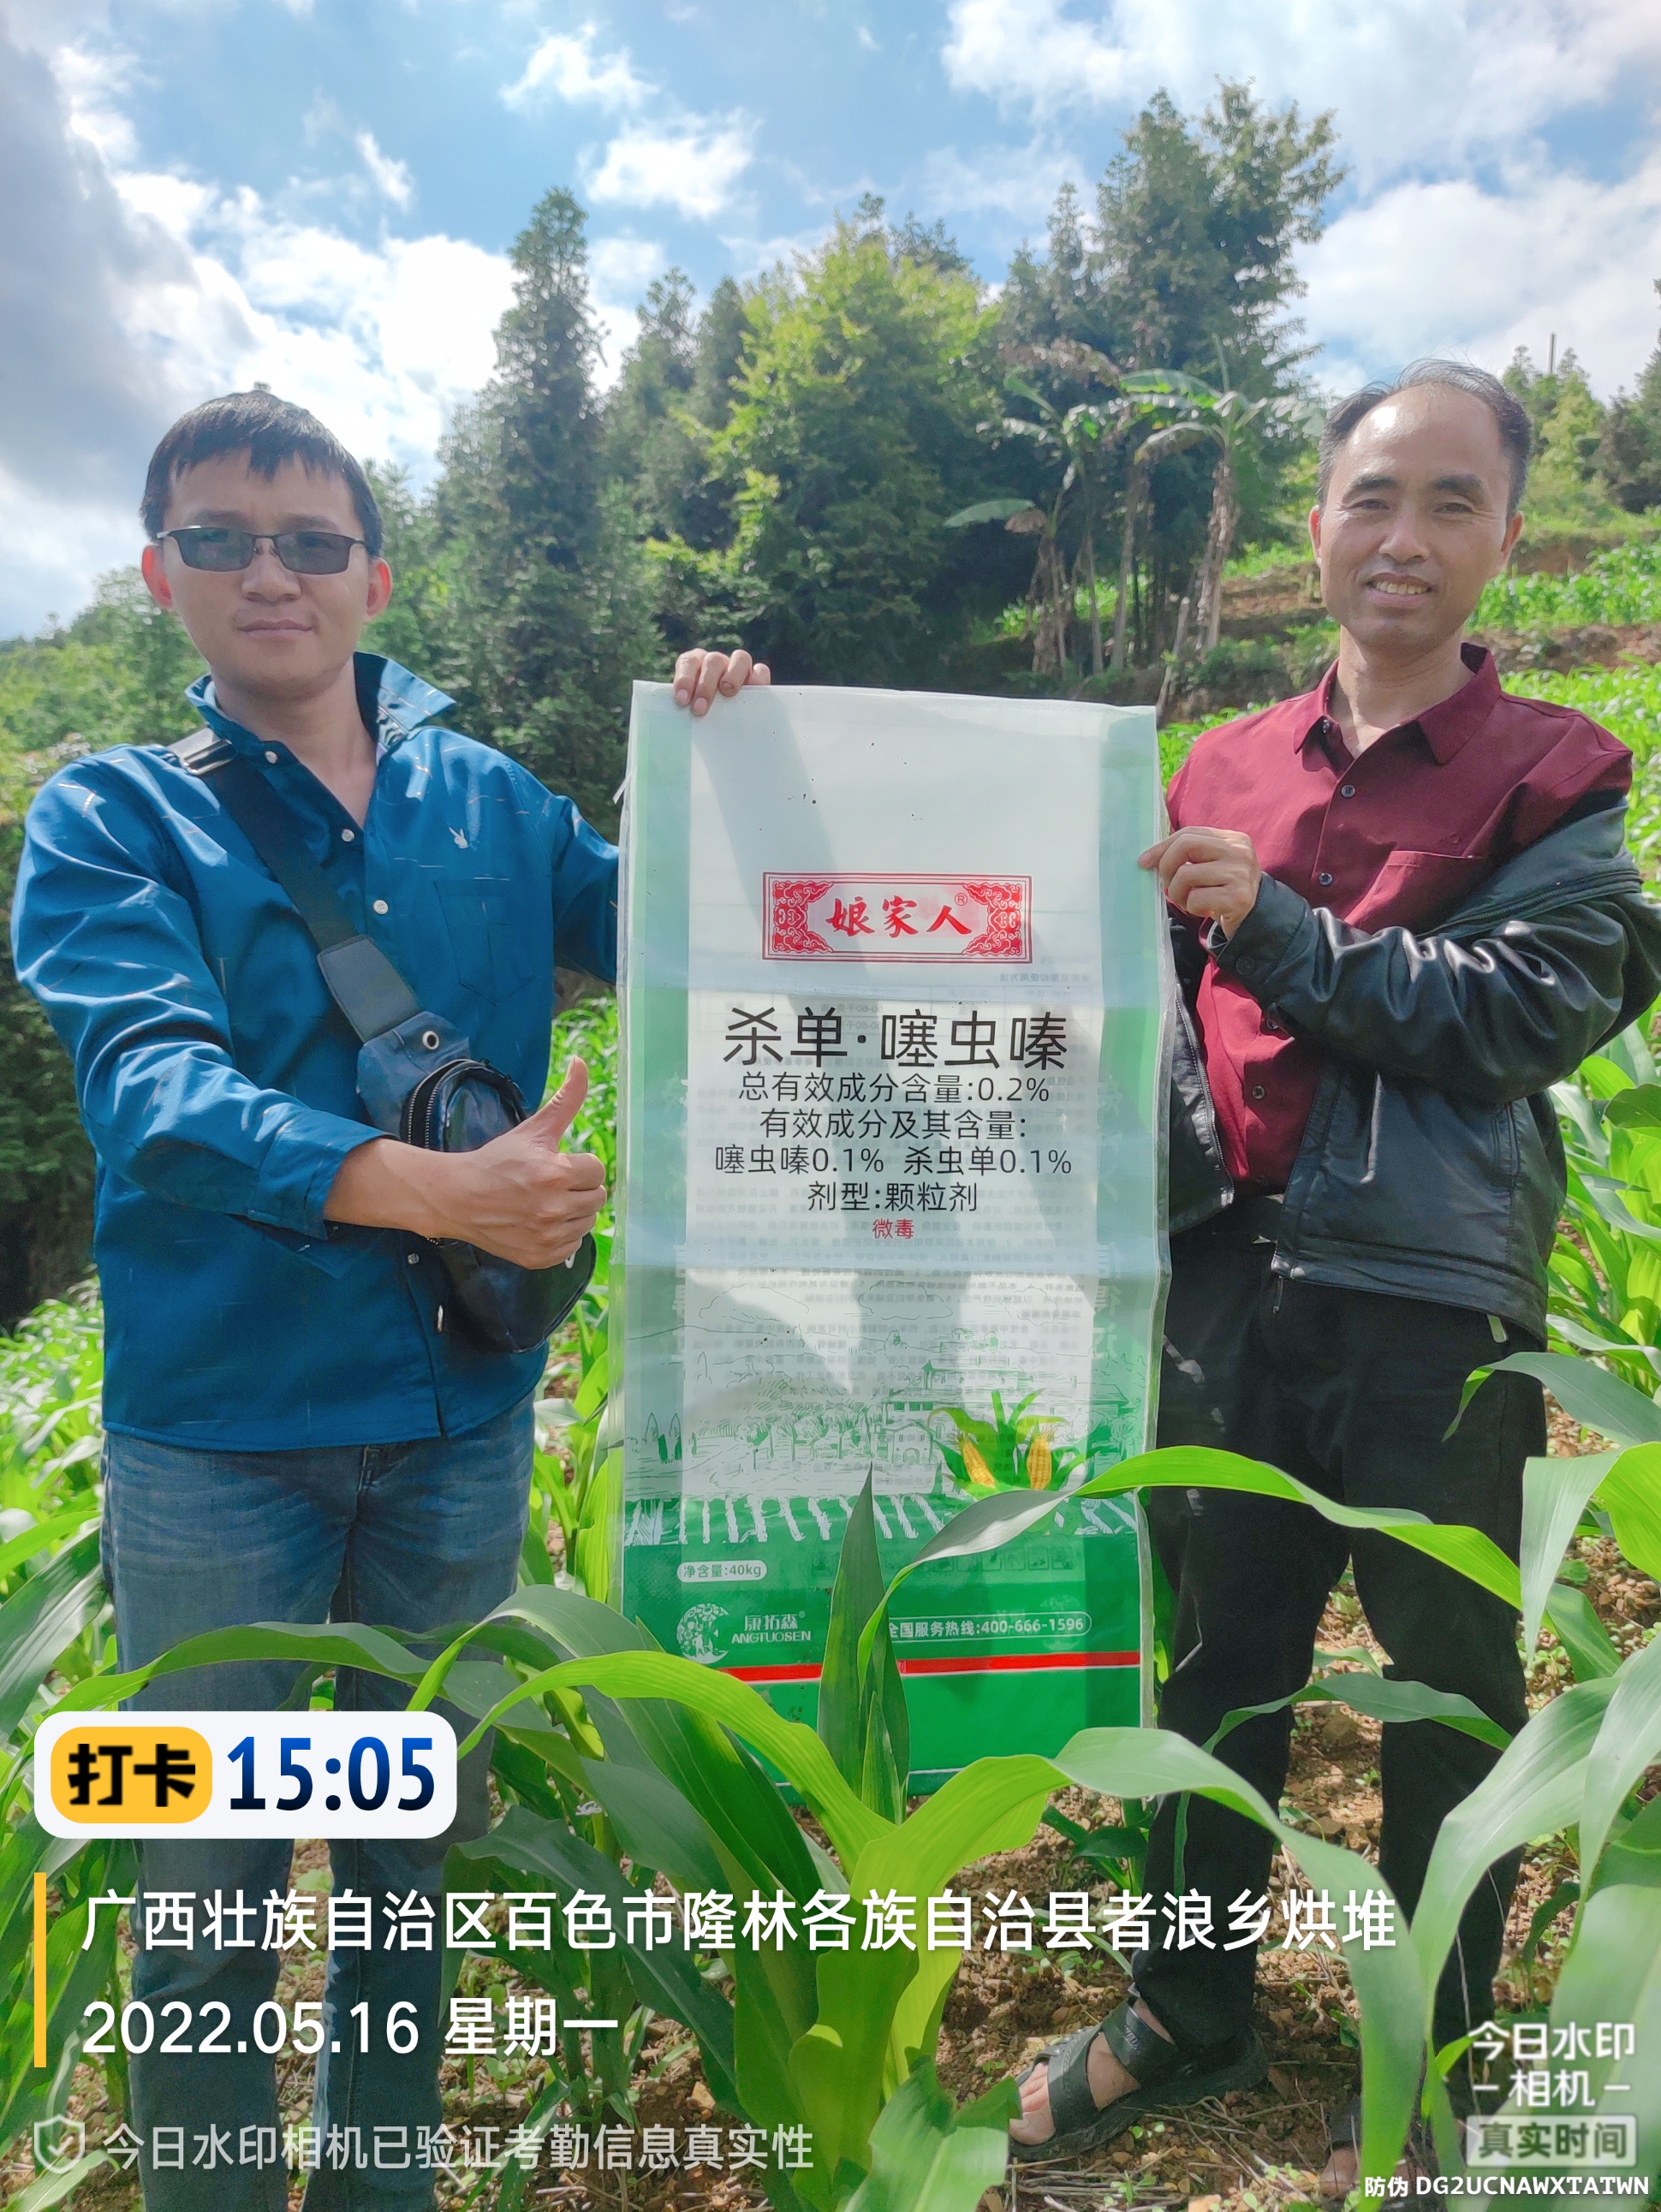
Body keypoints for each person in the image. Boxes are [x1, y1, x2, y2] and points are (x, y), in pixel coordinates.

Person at [11, 389, 759, 2212]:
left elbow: (693, 925)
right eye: (220, 540)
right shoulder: (110, 814)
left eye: (310, 541)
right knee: (206, 1890)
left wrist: (724, 757)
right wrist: (450, 1193)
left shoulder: (491, 801)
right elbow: (156, 1092)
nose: (269, 574)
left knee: (402, 1876)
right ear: (160, 573)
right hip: (221, 1445)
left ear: (375, 574)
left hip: (456, 1429)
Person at [1009, 360, 1661, 2189]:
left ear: (1506, 538)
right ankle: (1188, 2006)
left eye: (1453, 501)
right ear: (1316, 526)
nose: (1405, 535)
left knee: (1446, 1676)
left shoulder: (1555, 773)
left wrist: (1281, 929)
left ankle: (1440, 2045)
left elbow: (1518, 1011)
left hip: (1429, 1302)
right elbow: (1098, 973)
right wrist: (756, 745)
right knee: (1216, 1664)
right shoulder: (1218, 762)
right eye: (1374, 496)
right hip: (1221, 1275)